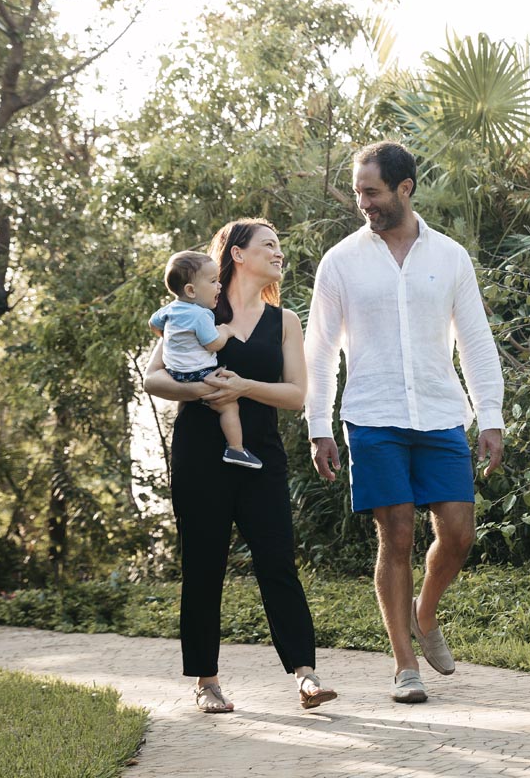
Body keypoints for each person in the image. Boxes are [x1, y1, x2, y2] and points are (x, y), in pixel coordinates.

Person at [305, 141, 505, 703]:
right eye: (359, 191)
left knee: (459, 534)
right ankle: (404, 666)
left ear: (405, 189)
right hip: (373, 416)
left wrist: (490, 415)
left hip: (441, 414)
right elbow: (319, 349)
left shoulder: (450, 257)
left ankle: (425, 612)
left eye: (371, 192)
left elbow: (475, 340)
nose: (362, 202)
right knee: (395, 536)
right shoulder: (340, 261)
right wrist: (319, 424)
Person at [143, 218, 337, 713]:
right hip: (199, 451)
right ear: (237, 254)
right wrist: (205, 391)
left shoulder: (285, 320)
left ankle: (306, 676)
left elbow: (296, 395)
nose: (279, 253)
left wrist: (243, 388)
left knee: (278, 563)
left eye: (279, 245)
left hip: (261, 454)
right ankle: (206, 682)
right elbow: (153, 377)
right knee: (203, 566)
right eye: (269, 245)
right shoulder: (197, 307)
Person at [149, 250, 262, 469]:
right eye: (213, 281)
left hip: (175, 373)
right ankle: (236, 449)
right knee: (229, 406)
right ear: (191, 290)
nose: (218, 286)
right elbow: (214, 344)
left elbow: (153, 325)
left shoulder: (169, 310)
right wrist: (226, 331)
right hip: (200, 374)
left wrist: (173, 337)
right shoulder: (200, 315)